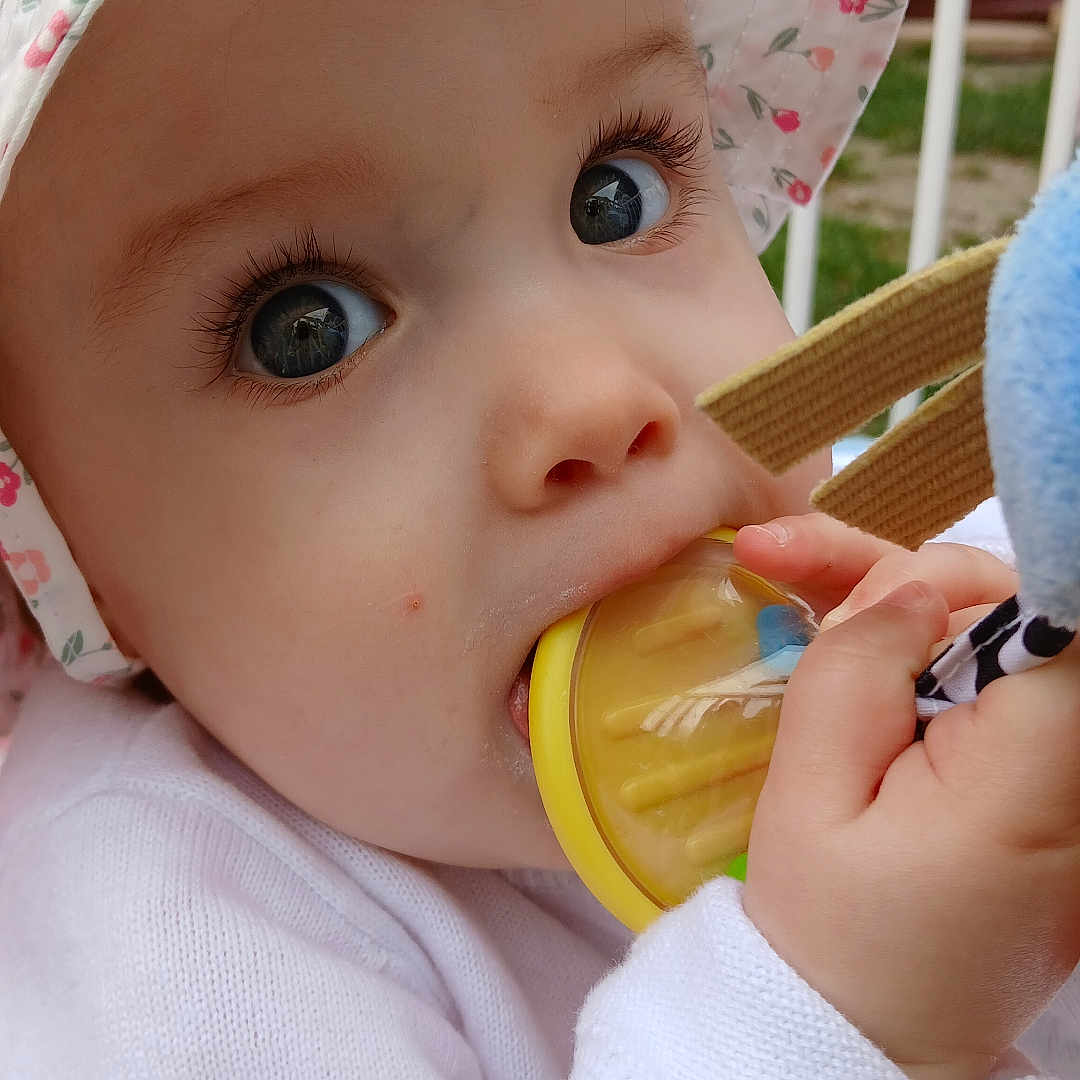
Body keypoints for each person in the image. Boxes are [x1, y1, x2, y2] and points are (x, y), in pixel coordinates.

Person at [0, 1, 1078, 1076]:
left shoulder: (904, 590)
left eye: (616, 192)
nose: (597, 398)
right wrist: (830, 1016)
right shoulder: (170, 959)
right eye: (303, 328)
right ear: (67, 562)